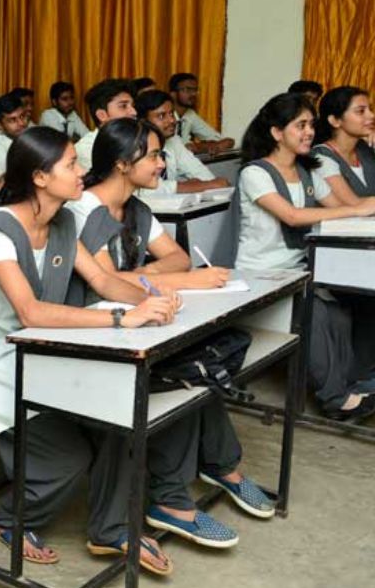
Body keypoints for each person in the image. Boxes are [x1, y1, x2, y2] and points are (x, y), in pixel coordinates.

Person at [0, 126, 176, 574]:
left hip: (44, 348)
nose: (82, 171)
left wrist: (150, 301)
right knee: (70, 459)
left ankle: (111, 530)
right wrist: (120, 319)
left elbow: (103, 280)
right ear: (40, 177)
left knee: (118, 418)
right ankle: (11, 520)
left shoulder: (63, 221)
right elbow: (29, 311)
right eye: (71, 164)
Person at [73, 117, 272, 548]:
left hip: (135, 322)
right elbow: (106, 284)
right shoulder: (85, 209)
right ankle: (174, 498)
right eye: (154, 155)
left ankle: (221, 466)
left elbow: (177, 258)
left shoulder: (137, 209)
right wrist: (178, 281)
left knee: (199, 364)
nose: (163, 163)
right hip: (97, 332)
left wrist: (149, 277)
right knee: (184, 375)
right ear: (122, 163)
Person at [234, 92, 375, 420]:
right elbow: (293, 216)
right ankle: (335, 399)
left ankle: (349, 385)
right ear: (276, 132)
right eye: (300, 125)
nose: (310, 132)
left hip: (298, 268)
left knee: (341, 311)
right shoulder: (255, 173)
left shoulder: (306, 170)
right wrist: (359, 209)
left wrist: (360, 209)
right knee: (316, 314)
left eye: (311, 124)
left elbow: (341, 210)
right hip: (261, 274)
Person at [134, 90, 229, 194]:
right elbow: (145, 190)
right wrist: (191, 186)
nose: (172, 120)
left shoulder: (174, 141)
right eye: (161, 116)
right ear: (143, 121)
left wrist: (207, 184)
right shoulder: (135, 146)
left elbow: (201, 173)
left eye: (171, 113)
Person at [310, 86, 375, 203]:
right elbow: (353, 204)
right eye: (361, 111)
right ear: (335, 121)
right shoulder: (321, 157)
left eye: (370, 109)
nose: (372, 115)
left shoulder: (367, 149)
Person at [75, 78, 137, 170]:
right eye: (123, 106)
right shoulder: (87, 149)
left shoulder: (137, 140)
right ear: (102, 115)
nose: (134, 112)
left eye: (133, 106)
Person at [169, 73, 234, 155]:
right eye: (188, 90)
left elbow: (221, 140)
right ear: (173, 93)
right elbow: (177, 148)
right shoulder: (165, 116)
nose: (193, 94)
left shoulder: (190, 114)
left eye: (195, 90)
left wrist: (198, 147)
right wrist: (201, 147)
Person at [0, 93, 33, 174]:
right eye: (13, 120)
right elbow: (11, 175)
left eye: (22, 116)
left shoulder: (32, 136)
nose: (21, 123)